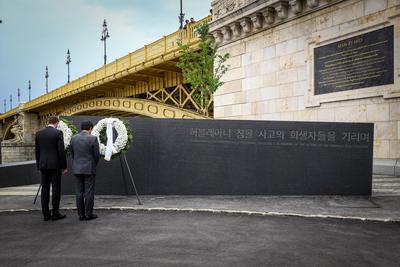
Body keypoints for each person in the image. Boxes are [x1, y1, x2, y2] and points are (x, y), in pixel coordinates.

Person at [35, 116, 67, 221]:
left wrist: (38, 165)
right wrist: (64, 166)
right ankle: (55, 213)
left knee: (45, 190)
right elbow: (61, 152)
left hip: (43, 165)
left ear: (48, 122)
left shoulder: (39, 134)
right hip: (55, 165)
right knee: (56, 189)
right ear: (56, 123)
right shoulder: (58, 133)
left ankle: (46, 214)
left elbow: (37, 151)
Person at [70, 120, 100, 221]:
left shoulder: (73, 139)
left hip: (77, 168)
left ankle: (81, 215)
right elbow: (96, 156)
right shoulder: (93, 138)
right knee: (89, 192)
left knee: (79, 192)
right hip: (89, 168)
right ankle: (88, 214)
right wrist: (93, 165)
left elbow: (73, 154)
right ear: (90, 128)